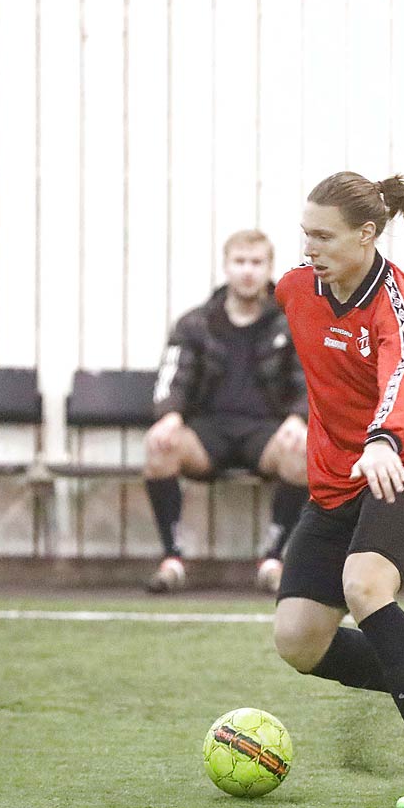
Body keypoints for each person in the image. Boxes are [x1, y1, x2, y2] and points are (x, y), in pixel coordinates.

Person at [268, 171, 404, 808]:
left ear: (367, 233)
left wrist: (384, 439)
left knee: (366, 585)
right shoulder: (296, 291)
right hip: (334, 482)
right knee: (298, 641)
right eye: (305, 234)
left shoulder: (400, 300)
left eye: (324, 236)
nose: (310, 248)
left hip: (403, 466)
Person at [144, 230, 310, 594]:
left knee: (303, 451)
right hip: (207, 432)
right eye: (240, 262)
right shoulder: (196, 323)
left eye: (256, 263)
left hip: (266, 432)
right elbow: (173, 377)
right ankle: (172, 559)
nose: (248, 271)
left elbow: (312, 381)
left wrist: (299, 419)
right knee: (158, 446)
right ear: (226, 267)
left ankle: (275, 559)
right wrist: (169, 415)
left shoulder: (292, 320)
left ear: (269, 268)